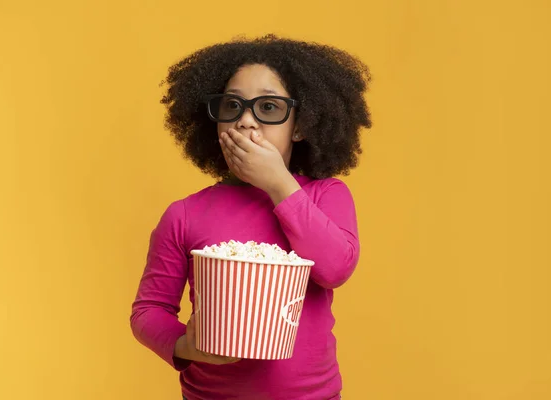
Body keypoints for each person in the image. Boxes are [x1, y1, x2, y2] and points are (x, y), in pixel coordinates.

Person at [130, 34, 372, 400]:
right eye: (232, 106)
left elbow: (335, 269)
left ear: (301, 126)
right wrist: (184, 345)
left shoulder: (326, 196)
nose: (245, 122)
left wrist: (279, 184)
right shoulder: (184, 214)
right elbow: (149, 310)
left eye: (269, 108)